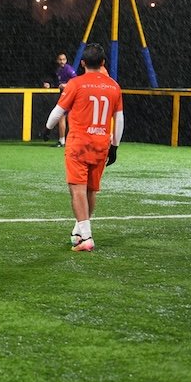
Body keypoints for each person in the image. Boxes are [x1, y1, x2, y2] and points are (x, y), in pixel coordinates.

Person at [42, 42, 124, 252]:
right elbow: (119, 119)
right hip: (101, 144)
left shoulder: (76, 84)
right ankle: (79, 230)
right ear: (103, 62)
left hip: (79, 144)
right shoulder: (114, 86)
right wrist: (115, 147)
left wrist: (47, 129)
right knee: (91, 190)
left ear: (83, 63)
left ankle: (86, 237)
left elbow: (58, 111)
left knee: (77, 189)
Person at [43, 52, 77, 147]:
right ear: (57, 60)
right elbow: (57, 83)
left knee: (65, 117)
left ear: (66, 60)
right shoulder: (58, 70)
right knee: (63, 117)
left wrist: (66, 85)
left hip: (70, 96)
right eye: (60, 59)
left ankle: (64, 141)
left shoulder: (68, 69)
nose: (62, 61)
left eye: (64, 59)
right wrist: (49, 85)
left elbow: (76, 80)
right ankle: (64, 140)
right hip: (64, 96)